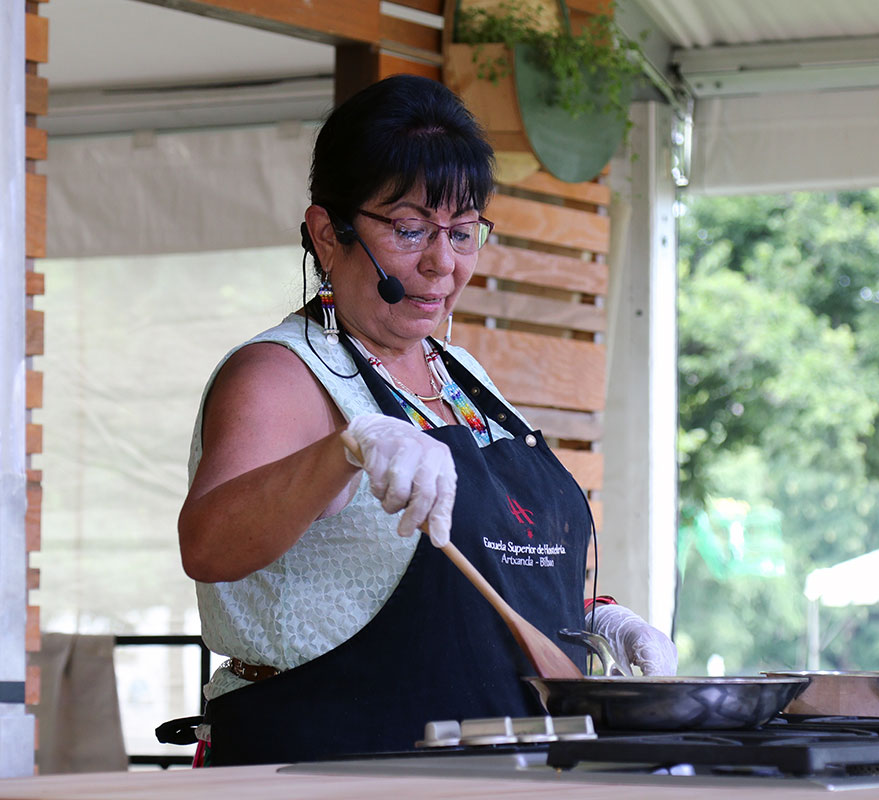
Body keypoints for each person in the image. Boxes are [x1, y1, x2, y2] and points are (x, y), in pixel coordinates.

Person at [176, 74, 676, 766]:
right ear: (329, 232)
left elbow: (483, 567)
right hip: (325, 764)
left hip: (492, 765)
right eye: (410, 229)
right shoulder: (281, 374)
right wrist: (344, 450)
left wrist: (591, 620)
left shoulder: (464, 374)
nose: (443, 263)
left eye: (463, 232)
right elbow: (208, 545)